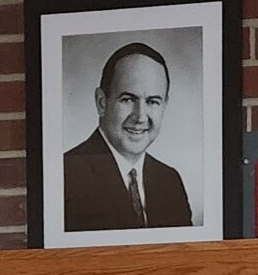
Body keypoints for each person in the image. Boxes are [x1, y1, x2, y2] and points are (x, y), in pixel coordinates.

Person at [64, 43, 194, 233]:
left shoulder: (169, 181)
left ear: (165, 105)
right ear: (102, 102)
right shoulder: (67, 176)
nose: (140, 117)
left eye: (152, 102)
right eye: (128, 99)